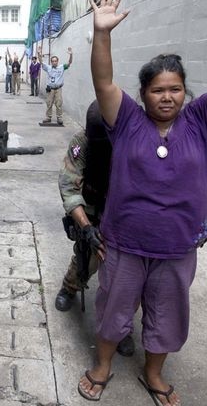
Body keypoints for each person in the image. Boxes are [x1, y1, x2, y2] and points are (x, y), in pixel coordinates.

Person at [76, 0, 207, 405]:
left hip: (177, 245)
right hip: (124, 241)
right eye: (158, 90)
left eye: (174, 89)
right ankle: (102, 366)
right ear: (143, 95)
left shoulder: (200, 122)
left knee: (168, 314)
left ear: (184, 92)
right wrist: (102, 33)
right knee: (112, 309)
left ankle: (153, 373)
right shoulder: (126, 121)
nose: (167, 97)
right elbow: (103, 80)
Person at [55, 101, 135, 357]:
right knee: (86, 258)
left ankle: (120, 328)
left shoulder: (134, 141)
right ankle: (69, 287)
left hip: (125, 213)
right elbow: (68, 186)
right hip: (91, 207)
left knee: (125, 276)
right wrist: (86, 228)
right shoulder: (82, 144)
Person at [38, 44, 73, 124]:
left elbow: (69, 63)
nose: (54, 62)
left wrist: (71, 54)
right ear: (51, 62)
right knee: (49, 103)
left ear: (57, 61)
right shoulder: (48, 68)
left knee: (59, 103)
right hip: (50, 89)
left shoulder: (61, 67)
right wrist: (39, 53)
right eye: (53, 61)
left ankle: (59, 118)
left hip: (58, 89)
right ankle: (48, 117)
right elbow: (41, 62)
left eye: (55, 61)